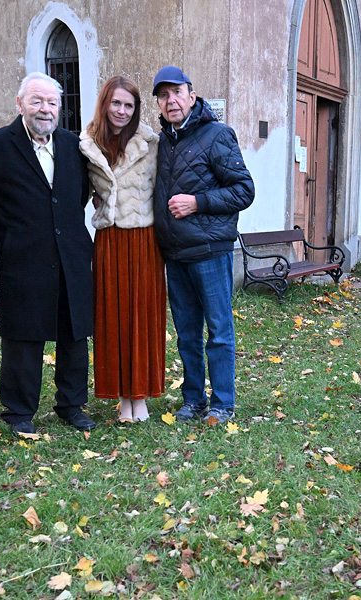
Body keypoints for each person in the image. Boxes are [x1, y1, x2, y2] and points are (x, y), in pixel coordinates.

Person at [0, 72, 95, 436]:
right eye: (37, 101)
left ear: (59, 108)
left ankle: (71, 405)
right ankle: (19, 411)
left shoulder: (74, 146)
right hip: (23, 259)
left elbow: (79, 196)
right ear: (20, 104)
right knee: (23, 337)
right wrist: (10, 240)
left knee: (73, 334)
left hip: (70, 256)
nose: (45, 109)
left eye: (52, 103)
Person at [152, 66, 255, 425]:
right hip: (175, 254)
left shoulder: (217, 135)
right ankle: (193, 399)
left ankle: (222, 402)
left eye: (177, 92)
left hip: (210, 252)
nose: (171, 100)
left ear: (192, 96)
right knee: (186, 335)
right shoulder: (163, 142)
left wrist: (197, 202)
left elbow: (244, 190)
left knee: (219, 330)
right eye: (163, 96)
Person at [79, 76, 165, 423]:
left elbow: (164, 187)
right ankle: (119, 395)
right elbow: (77, 190)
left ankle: (139, 395)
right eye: (116, 103)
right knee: (112, 317)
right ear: (105, 104)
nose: (122, 111)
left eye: (128, 105)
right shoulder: (87, 144)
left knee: (141, 316)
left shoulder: (150, 143)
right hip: (110, 240)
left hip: (144, 240)